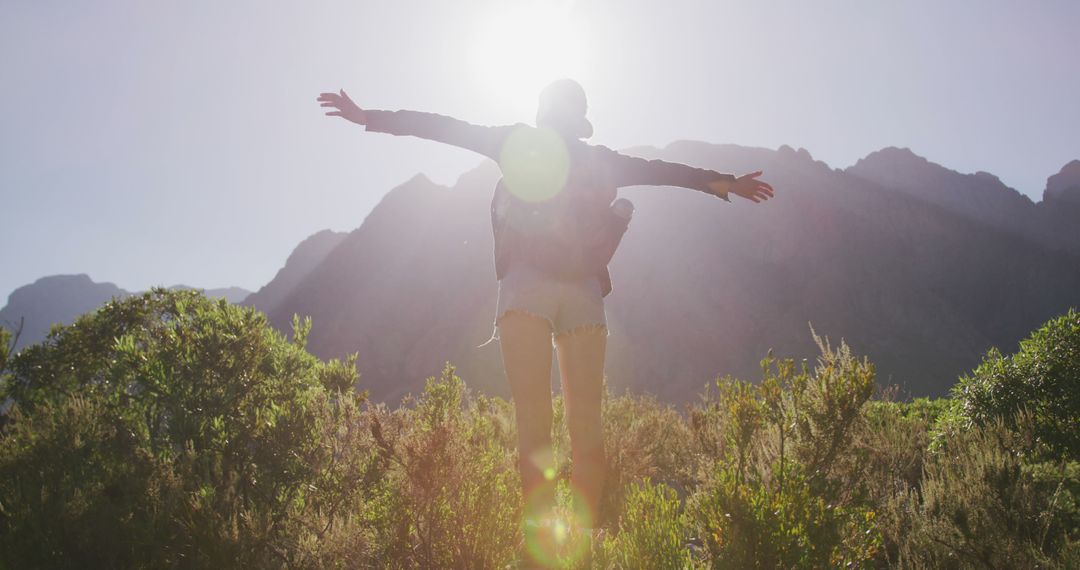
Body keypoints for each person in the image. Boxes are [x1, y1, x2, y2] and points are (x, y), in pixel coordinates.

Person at [317, 79, 773, 563]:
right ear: (579, 120)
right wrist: (723, 182)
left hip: (525, 290)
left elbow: (443, 128)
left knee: (534, 433)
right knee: (588, 433)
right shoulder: (602, 160)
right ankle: (578, 553)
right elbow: (663, 172)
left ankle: (540, 558)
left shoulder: (515, 141)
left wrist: (369, 117)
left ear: (541, 113)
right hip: (583, 293)